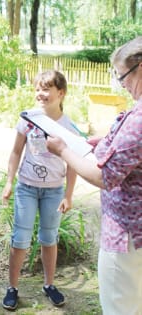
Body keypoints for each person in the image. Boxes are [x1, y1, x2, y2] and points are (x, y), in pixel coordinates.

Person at [46, 36, 142, 315]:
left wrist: (64, 151)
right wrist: (108, 142)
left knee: (120, 307)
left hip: (125, 235)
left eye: (122, 75)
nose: (121, 83)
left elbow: (106, 177)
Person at [1, 70, 78, 310]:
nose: (40, 94)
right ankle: (12, 288)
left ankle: (49, 284)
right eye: (37, 89)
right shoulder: (27, 119)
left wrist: (68, 195)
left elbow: (73, 163)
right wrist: (9, 181)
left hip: (53, 191)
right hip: (26, 188)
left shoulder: (68, 126)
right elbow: (15, 152)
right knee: (20, 239)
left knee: (49, 238)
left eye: (46, 89)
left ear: (61, 93)